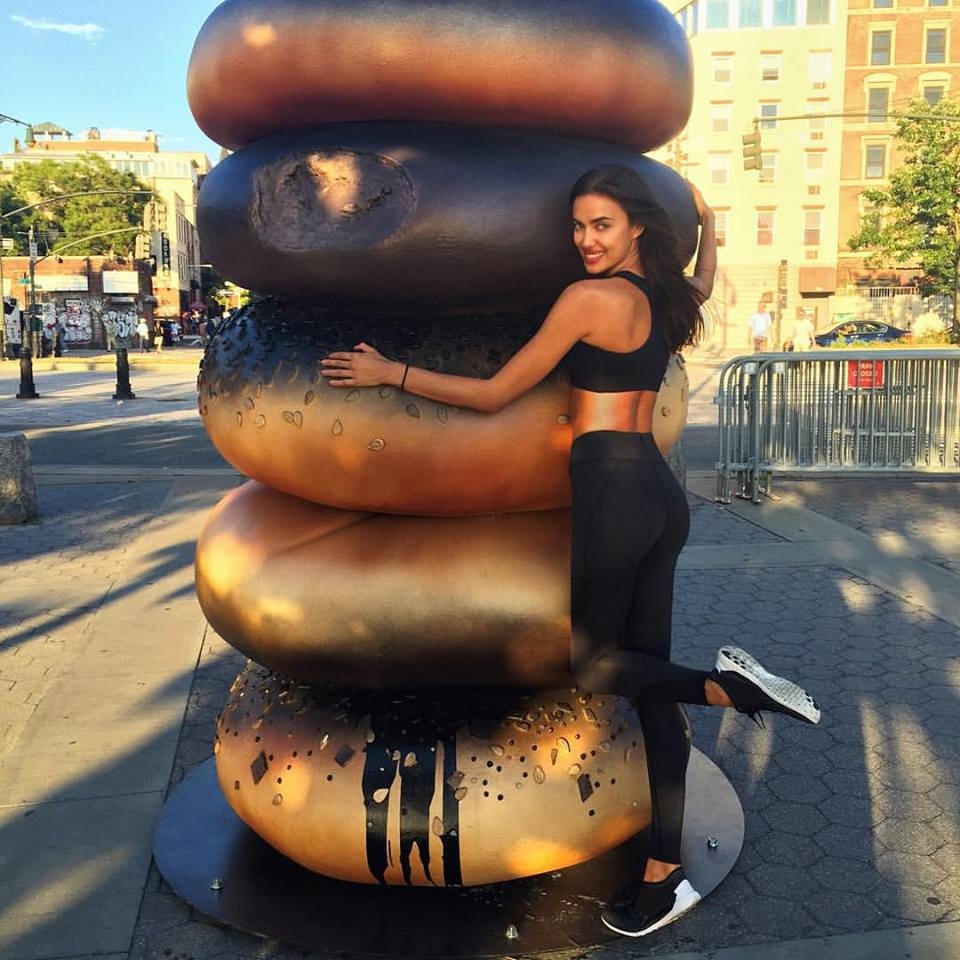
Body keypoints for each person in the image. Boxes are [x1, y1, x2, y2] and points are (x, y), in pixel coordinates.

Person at [320, 165, 820, 937]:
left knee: (594, 665)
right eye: (579, 227)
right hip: (659, 494)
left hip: (614, 493)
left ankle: (732, 689)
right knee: (653, 693)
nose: (586, 240)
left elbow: (496, 394)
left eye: (602, 225)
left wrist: (391, 371)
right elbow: (704, 280)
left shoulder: (589, 300)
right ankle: (663, 873)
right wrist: (711, 225)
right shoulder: (664, 298)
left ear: (637, 227)